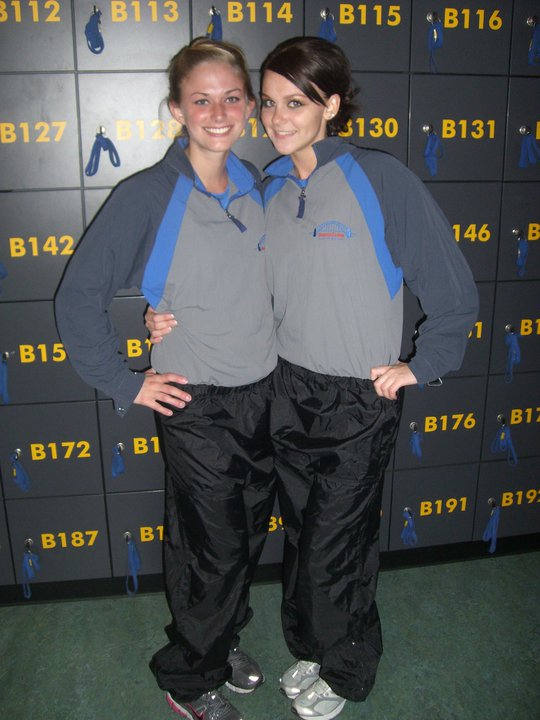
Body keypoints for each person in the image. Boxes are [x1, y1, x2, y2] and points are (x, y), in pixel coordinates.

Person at [146, 36, 479, 720]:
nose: (277, 117)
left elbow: (453, 291)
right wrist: (163, 313)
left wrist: (422, 365)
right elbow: (231, 275)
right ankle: (313, 645)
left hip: (357, 399)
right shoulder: (265, 186)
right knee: (302, 537)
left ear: (331, 105)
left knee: (337, 546)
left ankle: (347, 667)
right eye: (268, 103)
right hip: (284, 390)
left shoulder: (379, 178)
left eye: (295, 102)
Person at [55, 38, 277, 720]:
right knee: (212, 548)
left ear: (251, 106)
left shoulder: (255, 182)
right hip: (198, 402)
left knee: (247, 536)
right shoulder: (148, 194)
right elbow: (78, 298)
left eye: (232, 97)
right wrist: (128, 383)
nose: (219, 112)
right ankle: (188, 677)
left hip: (265, 392)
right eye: (201, 100)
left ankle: (220, 639)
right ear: (176, 109)